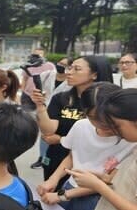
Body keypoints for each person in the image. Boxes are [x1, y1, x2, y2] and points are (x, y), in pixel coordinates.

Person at [36, 83, 137, 210]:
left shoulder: (129, 139)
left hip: (100, 199)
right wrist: (53, 179)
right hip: (69, 190)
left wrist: (62, 195)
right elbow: (72, 156)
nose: (101, 125)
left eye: (106, 119)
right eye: (93, 118)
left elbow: (108, 182)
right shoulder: (81, 126)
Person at [31, 56, 114, 185]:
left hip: (91, 163)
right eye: (70, 68)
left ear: (94, 74)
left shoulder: (108, 102)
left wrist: (60, 139)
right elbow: (48, 131)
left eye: (77, 69)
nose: (69, 72)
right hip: (57, 158)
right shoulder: (61, 98)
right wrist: (40, 106)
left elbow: (104, 136)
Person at [31, 56, 73, 169]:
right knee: (45, 135)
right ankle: (42, 158)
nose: (60, 66)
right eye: (59, 63)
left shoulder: (71, 82)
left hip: (59, 112)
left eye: (64, 65)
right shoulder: (49, 74)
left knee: (53, 135)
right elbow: (35, 81)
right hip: (44, 108)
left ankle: (49, 159)